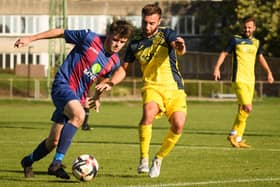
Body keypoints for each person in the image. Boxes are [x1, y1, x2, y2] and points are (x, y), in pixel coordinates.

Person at [14, 20, 134, 179]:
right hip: (62, 85)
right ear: (109, 34)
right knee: (79, 115)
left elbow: (101, 80)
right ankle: (56, 164)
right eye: (116, 39)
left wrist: (97, 96)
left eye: (122, 42)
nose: (118, 45)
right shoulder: (89, 37)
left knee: (53, 141)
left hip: (77, 97)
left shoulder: (113, 61)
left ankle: (27, 161)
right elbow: (60, 32)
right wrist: (31, 38)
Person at [96, 3, 187, 178]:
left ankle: (158, 158)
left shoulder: (167, 33)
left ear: (159, 21)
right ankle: (143, 158)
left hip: (175, 88)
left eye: (152, 23)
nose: (147, 26)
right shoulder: (135, 42)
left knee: (178, 125)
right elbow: (124, 68)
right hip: (151, 86)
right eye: (145, 22)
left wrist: (181, 47)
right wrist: (111, 83)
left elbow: (178, 45)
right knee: (148, 114)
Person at [213, 16, 274, 148]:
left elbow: (261, 58)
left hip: (250, 80)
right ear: (242, 27)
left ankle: (239, 139)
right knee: (248, 107)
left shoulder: (256, 42)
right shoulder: (235, 39)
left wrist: (269, 72)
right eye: (245, 27)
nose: (247, 29)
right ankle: (233, 133)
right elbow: (224, 53)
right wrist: (217, 68)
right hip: (239, 79)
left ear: (254, 28)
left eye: (249, 27)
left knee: (243, 109)